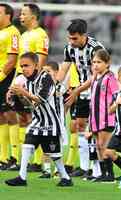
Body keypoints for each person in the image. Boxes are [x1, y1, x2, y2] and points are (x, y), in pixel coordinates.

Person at [5, 52, 72, 187]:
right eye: (22, 66)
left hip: (51, 122)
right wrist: (17, 98)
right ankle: (22, 177)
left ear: (36, 65)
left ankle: (65, 177)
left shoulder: (45, 78)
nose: (23, 69)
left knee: (54, 154)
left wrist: (22, 92)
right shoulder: (27, 81)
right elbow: (31, 105)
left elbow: (41, 99)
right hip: (37, 121)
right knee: (27, 145)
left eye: (26, 66)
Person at [57, 18, 105, 177]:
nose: (71, 41)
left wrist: (76, 91)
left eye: (75, 38)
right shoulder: (69, 49)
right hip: (82, 91)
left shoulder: (95, 49)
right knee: (79, 125)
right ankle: (85, 167)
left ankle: (97, 167)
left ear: (84, 35)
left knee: (95, 129)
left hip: (98, 91)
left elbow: (96, 76)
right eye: (69, 38)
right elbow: (63, 69)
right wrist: (56, 86)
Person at [17, 3, 50, 172]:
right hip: (21, 79)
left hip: (31, 81)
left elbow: (41, 59)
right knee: (23, 119)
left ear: (33, 17)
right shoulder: (24, 35)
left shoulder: (41, 34)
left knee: (34, 119)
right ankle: (22, 159)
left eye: (23, 14)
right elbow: (20, 62)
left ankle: (37, 162)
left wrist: (32, 81)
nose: (20, 16)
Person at [89, 49, 118, 182]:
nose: (95, 65)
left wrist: (112, 110)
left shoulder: (110, 78)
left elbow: (117, 96)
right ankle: (103, 173)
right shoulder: (95, 78)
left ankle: (110, 174)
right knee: (98, 146)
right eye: (94, 62)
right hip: (95, 118)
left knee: (104, 146)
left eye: (99, 62)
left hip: (106, 117)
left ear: (107, 63)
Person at [0, 3, 21, 170]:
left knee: (10, 114)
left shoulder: (13, 33)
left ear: (8, 15)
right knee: (1, 116)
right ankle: (3, 157)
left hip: (5, 78)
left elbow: (11, 60)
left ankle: (15, 157)